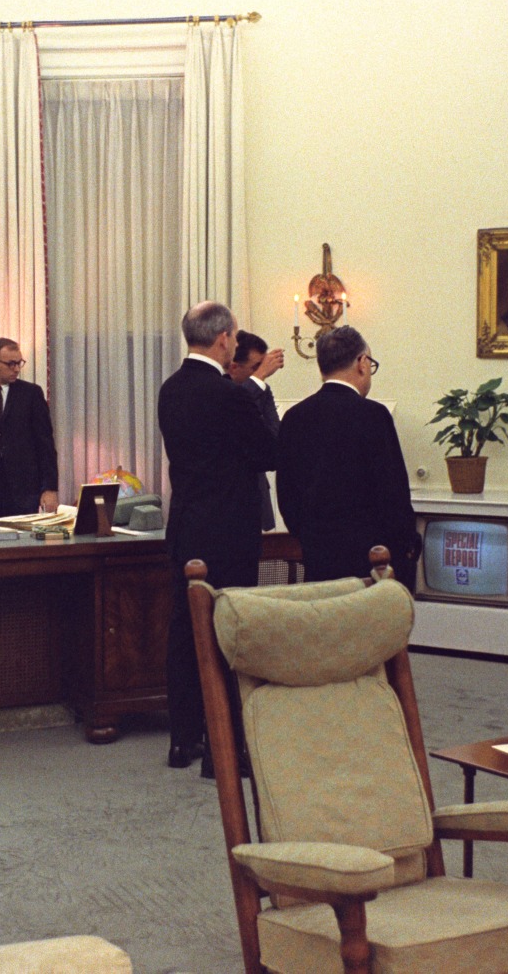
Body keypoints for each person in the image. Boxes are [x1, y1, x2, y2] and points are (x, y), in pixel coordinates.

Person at [157, 301, 275, 774]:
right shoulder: (231, 395)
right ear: (225, 338)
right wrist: (260, 385)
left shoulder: (170, 389)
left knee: (185, 631)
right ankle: (223, 746)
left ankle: (182, 739)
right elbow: (269, 451)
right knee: (228, 633)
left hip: (186, 524)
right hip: (228, 530)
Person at [276, 325, 420, 586]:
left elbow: (287, 494)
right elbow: (393, 493)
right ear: (362, 363)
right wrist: (407, 547)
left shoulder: (294, 417)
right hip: (371, 562)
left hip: (317, 559)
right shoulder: (374, 415)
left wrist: (309, 538)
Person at [0, 338, 59, 518]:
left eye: (19, 363)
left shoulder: (31, 394)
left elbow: (45, 444)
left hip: (22, 487)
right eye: (11, 364)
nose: (16, 369)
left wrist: (50, 488)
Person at [227, 330, 285, 530]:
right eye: (256, 367)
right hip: (229, 501)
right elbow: (229, 418)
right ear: (234, 368)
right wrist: (258, 378)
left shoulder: (262, 390)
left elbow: (275, 438)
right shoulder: (220, 391)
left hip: (257, 492)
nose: (264, 372)